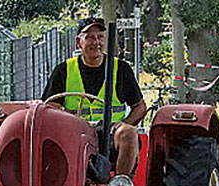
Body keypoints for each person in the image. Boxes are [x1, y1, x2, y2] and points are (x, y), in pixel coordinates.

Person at [41, 18, 145, 176]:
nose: (96, 42)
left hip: (109, 133)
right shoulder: (64, 70)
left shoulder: (120, 69)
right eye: (89, 37)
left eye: (100, 37)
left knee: (129, 133)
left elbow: (140, 107)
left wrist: (123, 124)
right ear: (78, 41)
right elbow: (49, 106)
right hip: (73, 132)